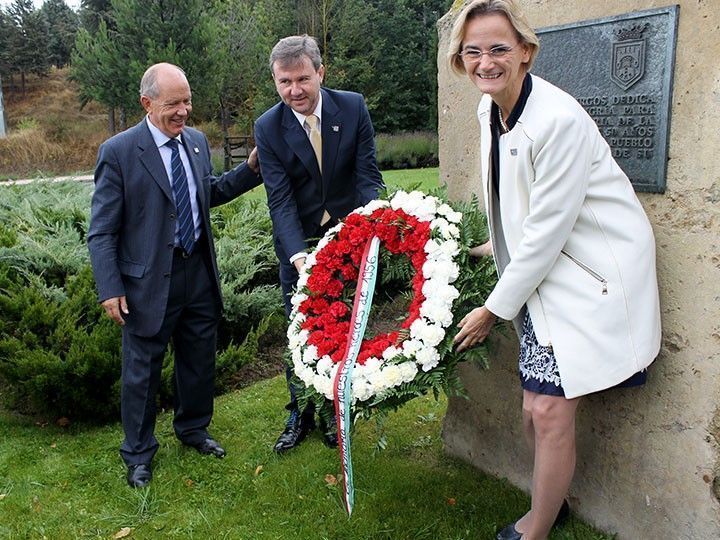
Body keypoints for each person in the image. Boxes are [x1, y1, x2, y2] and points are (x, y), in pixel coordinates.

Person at [447, 2, 661, 539]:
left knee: (548, 411)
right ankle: (553, 497)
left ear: (526, 51)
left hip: (589, 275)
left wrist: (492, 310)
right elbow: (513, 196)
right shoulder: (489, 108)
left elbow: (547, 233)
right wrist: (489, 245)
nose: (485, 62)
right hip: (543, 275)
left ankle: (536, 528)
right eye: (472, 51)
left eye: (498, 48)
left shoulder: (558, 121)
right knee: (533, 407)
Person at [88, 62, 262, 488]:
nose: (184, 111)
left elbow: (209, 193)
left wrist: (251, 170)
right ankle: (139, 453)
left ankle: (193, 428)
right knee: (141, 372)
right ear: (147, 103)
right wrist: (109, 287)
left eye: (187, 100)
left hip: (197, 272)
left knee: (199, 360)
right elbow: (102, 230)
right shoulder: (119, 152)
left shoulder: (197, 142)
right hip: (146, 283)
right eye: (173, 104)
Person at [254, 35, 385, 453]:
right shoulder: (267, 127)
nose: (294, 91)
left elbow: (367, 175)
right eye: (284, 82)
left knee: (342, 328)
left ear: (321, 73)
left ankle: (332, 410)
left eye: (302, 79)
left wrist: (373, 226)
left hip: (348, 236)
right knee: (300, 333)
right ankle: (299, 411)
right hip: (298, 245)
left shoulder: (353, 107)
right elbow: (280, 198)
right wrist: (297, 255)